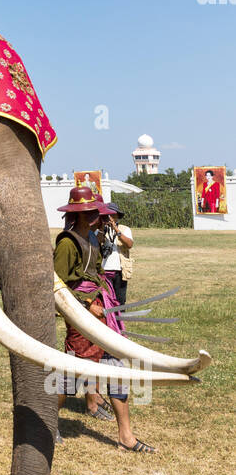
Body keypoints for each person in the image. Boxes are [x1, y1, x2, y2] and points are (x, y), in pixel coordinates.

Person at [53, 186, 154, 453]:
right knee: (73, 373)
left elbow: (98, 275)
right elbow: (57, 285)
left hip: (103, 309)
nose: (99, 216)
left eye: (98, 212)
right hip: (80, 314)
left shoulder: (95, 240)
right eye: (94, 212)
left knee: (116, 366)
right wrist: (86, 305)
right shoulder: (67, 243)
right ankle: (49, 423)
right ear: (82, 214)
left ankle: (126, 436)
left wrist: (103, 302)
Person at [98, 205, 133, 308]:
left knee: (120, 300)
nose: (111, 218)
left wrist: (116, 230)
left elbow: (129, 244)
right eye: (108, 215)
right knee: (104, 300)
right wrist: (102, 227)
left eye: (113, 215)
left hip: (120, 270)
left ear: (118, 216)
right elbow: (96, 241)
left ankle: (119, 321)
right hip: (104, 270)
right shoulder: (100, 229)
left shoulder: (124, 229)